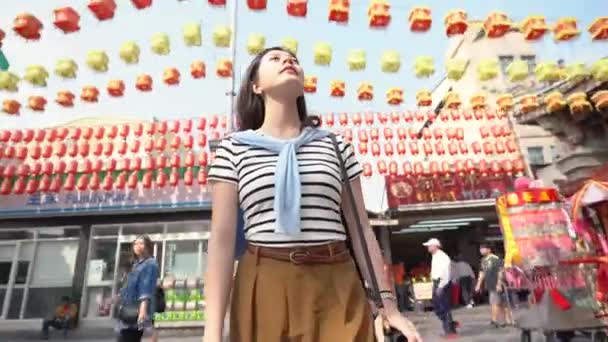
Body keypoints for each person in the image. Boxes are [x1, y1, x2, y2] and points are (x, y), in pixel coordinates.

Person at [203, 47, 422, 342]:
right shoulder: (233, 149)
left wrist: (389, 306)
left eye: (293, 59)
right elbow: (222, 241)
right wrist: (212, 333)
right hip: (264, 283)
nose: (288, 61)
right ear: (256, 86)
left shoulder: (335, 146)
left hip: (336, 283)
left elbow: (361, 232)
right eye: (275, 59)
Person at [116, 235, 159, 342]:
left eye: (141, 243)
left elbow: (146, 287)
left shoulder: (150, 264)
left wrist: (143, 311)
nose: (137, 246)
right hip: (129, 309)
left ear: (148, 247)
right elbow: (128, 287)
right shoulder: (135, 265)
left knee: (127, 338)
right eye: (135, 244)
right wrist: (116, 298)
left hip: (138, 310)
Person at [423, 238, 458, 338]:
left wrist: (441, 286)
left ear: (435, 246)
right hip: (437, 281)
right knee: (439, 307)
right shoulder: (435, 256)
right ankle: (450, 325)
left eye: (429, 246)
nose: (428, 248)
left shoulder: (442, 256)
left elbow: (445, 272)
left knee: (443, 307)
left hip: (442, 282)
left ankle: (449, 331)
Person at [475, 243, 509, 328]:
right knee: (500, 303)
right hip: (490, 284)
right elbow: (481, 273)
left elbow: (500, 271)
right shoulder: (483, 260)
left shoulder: (496, 259)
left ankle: (494, 320)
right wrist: (478, 284)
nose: (481, 250)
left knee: (495, 303)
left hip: (496, 284)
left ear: (489, 249)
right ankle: (506, 320)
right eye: (480, 249)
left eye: (483, 248)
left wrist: (499, 284)